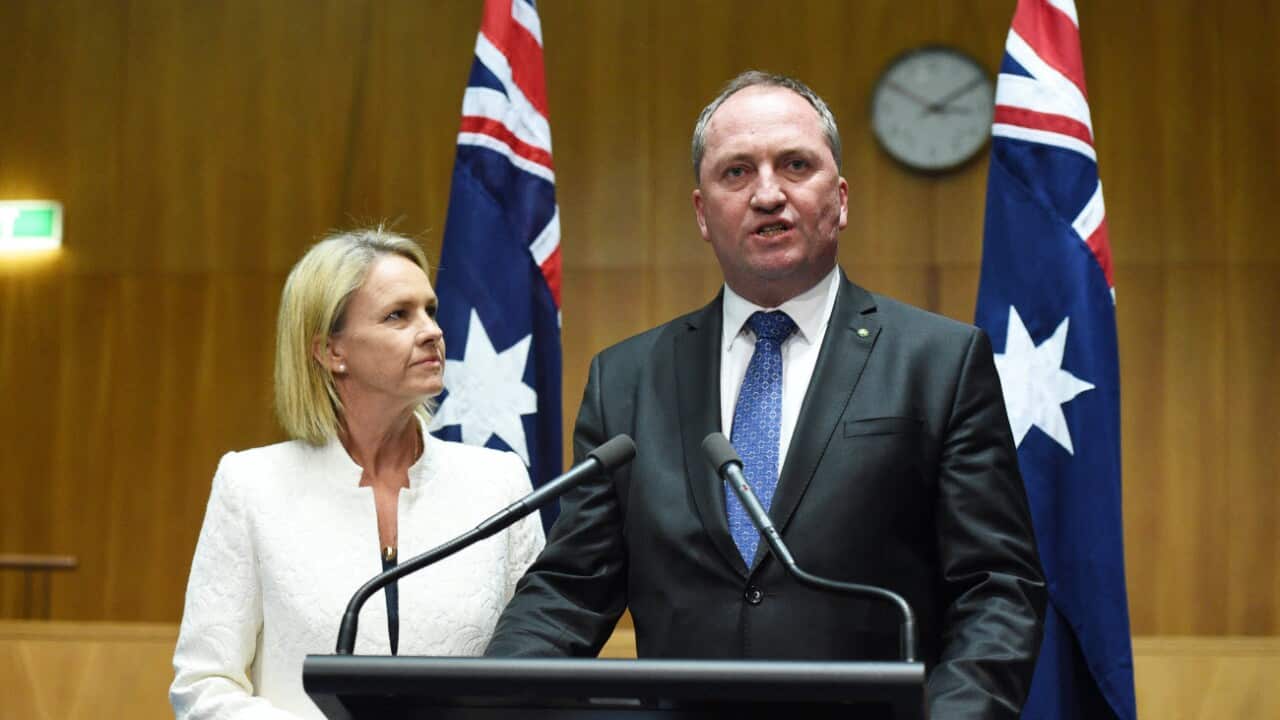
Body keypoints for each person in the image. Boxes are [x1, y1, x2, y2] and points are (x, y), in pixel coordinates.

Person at [485, 72, 1047, 718]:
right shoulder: (629, 379)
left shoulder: (938, 363)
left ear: (840, 199)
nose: (768, 194)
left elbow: (997, 589)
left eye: (795, 165)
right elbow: (569, 590)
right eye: (736, 173)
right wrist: (484, 700)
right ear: (702, 213)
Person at [171, 229, 545, 719]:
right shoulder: (251, 485)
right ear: (331, 351)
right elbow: (204, 684)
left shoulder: (499, 483)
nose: (432, 330)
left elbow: (538, 665)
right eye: (398, 315)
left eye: (430, 309)